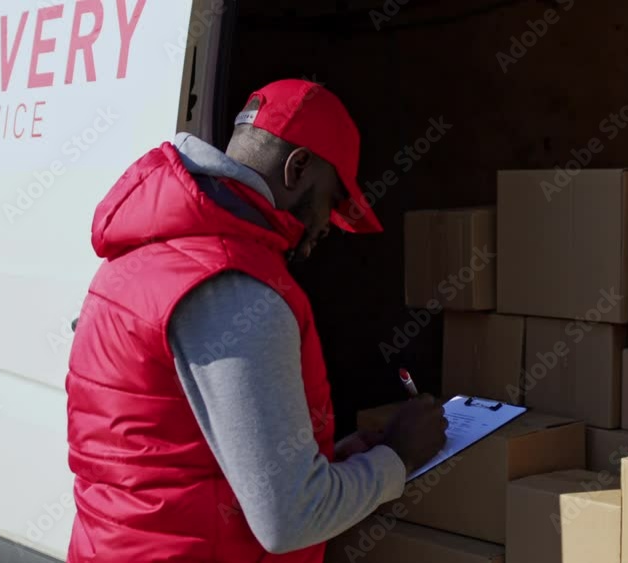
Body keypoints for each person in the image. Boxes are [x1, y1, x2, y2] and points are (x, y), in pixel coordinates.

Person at [65, 78, 447, 562]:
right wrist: (399, 457)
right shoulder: (237, 289)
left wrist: (327, 466)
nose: (327, 224)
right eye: (331, 200)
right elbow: (291, 519)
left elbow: (173, 451)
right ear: (299, 166)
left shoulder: (141, 252)